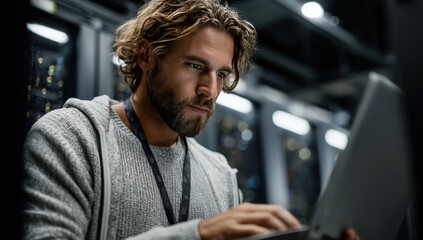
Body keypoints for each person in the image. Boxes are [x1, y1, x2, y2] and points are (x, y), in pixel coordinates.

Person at [21, 0, 360, 239]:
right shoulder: (70, 138)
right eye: (196, 66)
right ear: (146, 56)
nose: (210, 90)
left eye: (221, 74)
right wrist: (197, 236)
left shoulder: (219, 174)